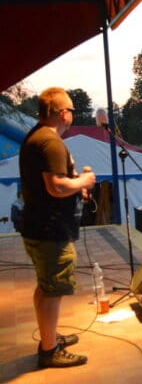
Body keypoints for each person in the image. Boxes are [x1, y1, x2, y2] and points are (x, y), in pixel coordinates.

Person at [20, 87, 97, 367]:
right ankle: (49, 351)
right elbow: (55, 187)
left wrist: (75, 188)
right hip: (51, 231)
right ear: (63, 113)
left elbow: (54, 185)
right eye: (72, 110)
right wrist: (84, 182)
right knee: (53, 290)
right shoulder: (50, 143)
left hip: (38, 227)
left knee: (46, 287)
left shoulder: (35, 137)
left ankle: (49, 338)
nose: (72, 115)